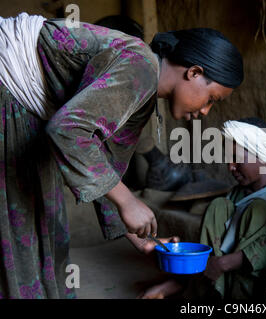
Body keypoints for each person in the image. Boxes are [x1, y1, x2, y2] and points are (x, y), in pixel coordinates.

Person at [0, 12, 243, 299]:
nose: (205, 111)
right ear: (194, 72)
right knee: (19, 237)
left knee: (44, 230)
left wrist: (142, 239)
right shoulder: (140, 66)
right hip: (8, 90)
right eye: (211, 99)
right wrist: (128, 201)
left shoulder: (143, 98)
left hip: (23, 109)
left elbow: (104, 167)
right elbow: (67, 132)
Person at [139, 117, 266, 299]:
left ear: (264, 156)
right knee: (217, 207)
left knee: (258, 209)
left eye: (236, 159)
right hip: (227, 279)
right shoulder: (237, 195)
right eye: (228, 159)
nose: (230, 166)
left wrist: (229, 262)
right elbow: (216, 250)